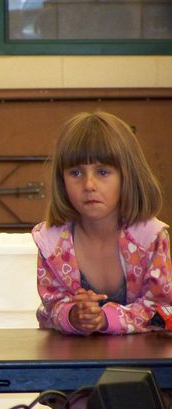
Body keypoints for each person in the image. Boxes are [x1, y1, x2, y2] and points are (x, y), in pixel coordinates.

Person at [32, 111, 172, 335]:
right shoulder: (51, 241)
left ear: (128, 176)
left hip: (143, 362)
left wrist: (106, 318)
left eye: (103, 172)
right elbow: (52, 306)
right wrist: (73, 314)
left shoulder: (151, 237)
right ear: (62, 180)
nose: (88, 184)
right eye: (76, 172)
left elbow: (161, 309)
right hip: (71, 362)